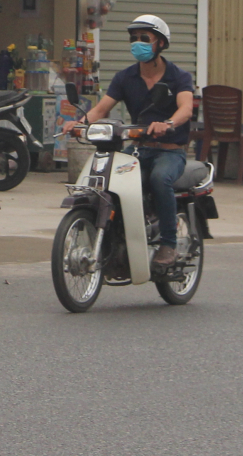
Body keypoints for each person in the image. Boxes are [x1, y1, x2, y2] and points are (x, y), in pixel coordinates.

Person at [66, 14, 196, 267]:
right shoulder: (125, 77)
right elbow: (101, 109)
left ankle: (168, 244)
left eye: (144, 38)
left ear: (160, 43)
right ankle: (118, 236)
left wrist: (168, 123)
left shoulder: (179, 76)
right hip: (139, 149)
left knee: (160, 179)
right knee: (110, 180)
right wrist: (80, 123)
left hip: (170, 152)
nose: (138, 43)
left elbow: (186, 109)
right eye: (134, 38)